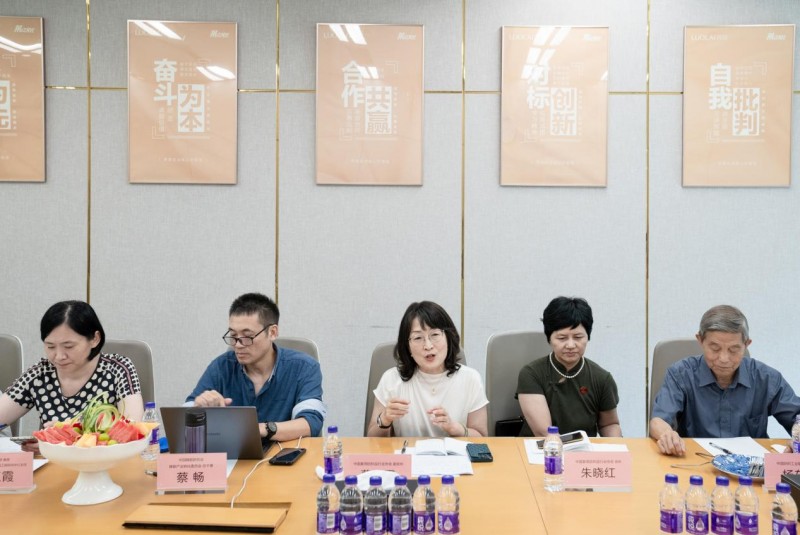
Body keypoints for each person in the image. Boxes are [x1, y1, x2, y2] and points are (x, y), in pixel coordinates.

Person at [650, 304, 800, 456]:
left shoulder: (766, 378)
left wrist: (797, 439)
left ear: (746, 344)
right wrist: (667, 435)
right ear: (700, 340)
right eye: (715, 348)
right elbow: (658, 421)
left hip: (752, 465)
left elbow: (797, 419)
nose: (723, 358)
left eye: (733, 349)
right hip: (694, 460)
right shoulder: (680, 374)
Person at [186, 292, 325, 441]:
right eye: (233, 336)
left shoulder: (304, 367)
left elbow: (311, 422)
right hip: (235, 453)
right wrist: (198, 408)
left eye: (247, 336)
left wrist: (261, 429)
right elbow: (183, 417)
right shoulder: (221, 367)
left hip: (285, 453)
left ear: (272, 332)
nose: (238, 345)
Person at [0, 300, 144, 429]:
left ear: (95, 339)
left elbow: (132, 426)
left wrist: (72, 429)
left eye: (69, 346)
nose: (59, 356)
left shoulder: (118, 369)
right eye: (50, 346)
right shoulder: (40, 373)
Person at [367, 301, 489, 437]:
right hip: (409, 451)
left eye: (435, 335)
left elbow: (482, 438)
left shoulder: (470, 379)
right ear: (407, 346)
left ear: (448, 338)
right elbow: (371, 440)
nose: (428, 345)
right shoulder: (392, 379)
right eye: (418, 338)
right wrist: (385, 419)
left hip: (454, 452)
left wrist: (455, 428)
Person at [516, 296, 622, 437]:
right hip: (542, 447)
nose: (571, 345)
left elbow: (609, 424)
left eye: (578, 337)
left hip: (584, 450)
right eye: (562, 338)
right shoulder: (531, 374)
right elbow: (544, 432)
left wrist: (616, 446)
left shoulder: (602, 378)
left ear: (588, 337)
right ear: (549, 339)